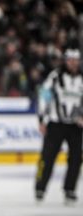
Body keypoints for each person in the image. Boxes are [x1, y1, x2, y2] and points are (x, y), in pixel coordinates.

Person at [35, 47, 83, 205]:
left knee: (76, 159)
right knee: (47, 157)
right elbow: (44, 97)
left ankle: (70, 189)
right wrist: (42, 119)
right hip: (56, 124)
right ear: (65, 60)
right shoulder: (55, 77)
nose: (73, 63)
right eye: (70, 60)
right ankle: (40, 187)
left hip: (76, 126)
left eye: (76, 60)